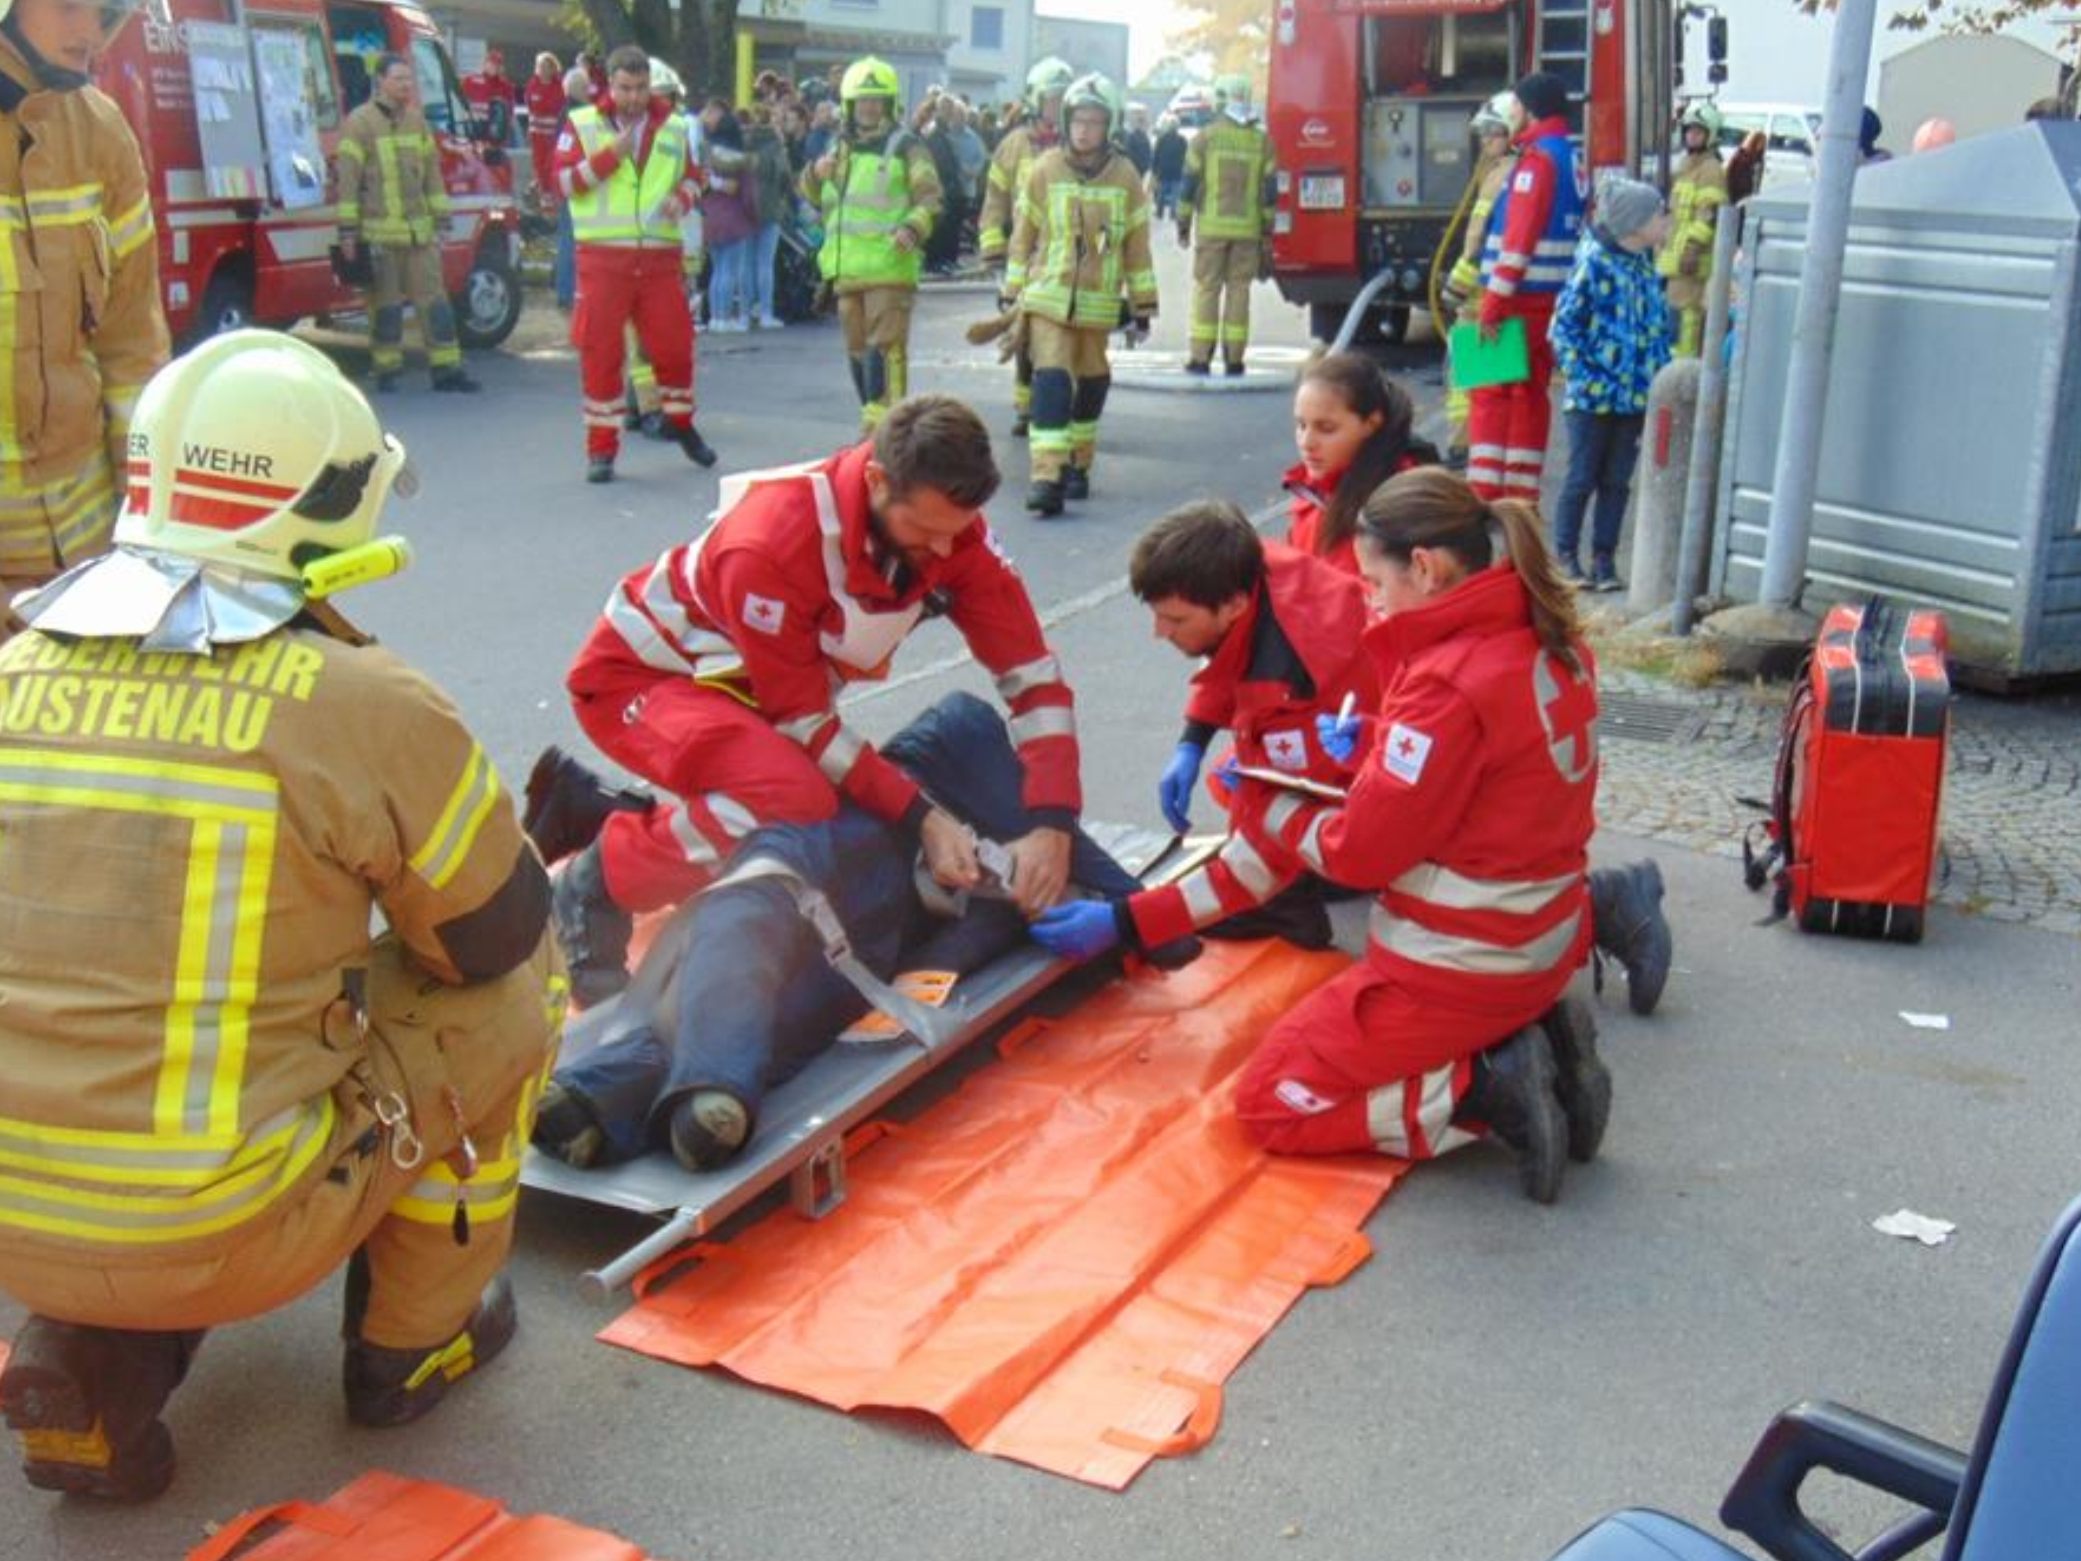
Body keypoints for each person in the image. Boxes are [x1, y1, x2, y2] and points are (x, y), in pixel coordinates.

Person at [0, 330, 563, 1501]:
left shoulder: (14, 670)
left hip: (14, 1218)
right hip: (223, 1228)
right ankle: (414, 1341)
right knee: (515, 994)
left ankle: (85, 1362)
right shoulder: (361, 701)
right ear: (327, 504)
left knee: (93, 1064)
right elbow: (491, 937)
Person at [538, 395, 1083, 1007]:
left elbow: (1033, 677)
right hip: (641, 681)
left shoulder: (952, 533)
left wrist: (1053, 822)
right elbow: (805, 723)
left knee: (815, 803)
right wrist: (925, 818)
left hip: (744, 691)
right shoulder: (771, 542)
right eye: (925, 532)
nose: (943, 553)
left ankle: (593, 810)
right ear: (877, 481)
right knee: (788, 802)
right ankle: (594, 883)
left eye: (955, 533)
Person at [531, 694, 1192, 1172]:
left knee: (798, 1018)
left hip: (881, 933)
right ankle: (714, 1087)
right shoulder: (962, 740)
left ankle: (601, 1098)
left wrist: (1090, 919)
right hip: (838, 848)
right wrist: (1032, 852)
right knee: (750, 921)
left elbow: (1153, 925)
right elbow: (1136, 906)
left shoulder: (1038, 865)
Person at [1215, 466, 1614, 1203]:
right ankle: (1527, 1047)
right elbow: (1491, 771)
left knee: (1272, 1102)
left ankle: (1487, 1088)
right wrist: (1376, 739)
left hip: (1462, 961)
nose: (1370, 599)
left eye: (1374, 582)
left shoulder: (1445, 681)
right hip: (1544, 936)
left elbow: (1357, 854)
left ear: (1425, 568)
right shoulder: (1543, 635)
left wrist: (1263, 806)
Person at [1030, 502, 1378, 966]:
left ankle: (1300, 906)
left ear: (1233, 605)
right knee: (1228, 779)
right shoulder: (1252, 569)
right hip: (1352, 731)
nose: (1159, 632)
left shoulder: (1298, 683)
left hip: (1370, 782)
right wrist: (1193, 740)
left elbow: (1261, 856)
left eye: (1175, 620)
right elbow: (1230, 657)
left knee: (1270, 819)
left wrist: (1127, 920)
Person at [0, 0, 169, 608]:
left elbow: (132, 349)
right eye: (69, 5)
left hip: (88, 565)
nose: (89, 33)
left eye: (103, 12)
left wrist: (147, 527)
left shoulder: (102, 133)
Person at [556, 45, 717, 482]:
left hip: (659, 258)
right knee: (601, 355)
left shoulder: (675, 127)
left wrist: (682, 198)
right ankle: (601, 451)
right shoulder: (582, 123)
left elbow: (695, 178)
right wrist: (611, 156)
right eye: (625, 88)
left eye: (641, 88)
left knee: (675, 348)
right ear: (609, 85)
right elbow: (564, 182)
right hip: (602, 258)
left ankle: (681, 424)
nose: (633, 97)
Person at [1005, 72, 1157, 517]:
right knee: (1051, 379)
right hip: (1048, 298)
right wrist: (1012, 289)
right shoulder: (1045, 169)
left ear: (1109, 126)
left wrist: (1143, 306)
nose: (1084, 130)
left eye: (1094, 122)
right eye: (1077, 121)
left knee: (1092, 381)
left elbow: (1137, 247)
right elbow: (1023, 234)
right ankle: (1046, 477)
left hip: (1097, 304)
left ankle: (1078, 463)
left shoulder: (1125, 177)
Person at [801, 57, 942, 432]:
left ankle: (884, 433)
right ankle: (876, 426)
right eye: (862, 100)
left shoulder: (907, 146)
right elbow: (816, 197)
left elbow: (930, 197)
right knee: (858, 353)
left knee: (885, 350)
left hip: (889, 267)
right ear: (849, 104)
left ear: (889, 103)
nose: (869, 107)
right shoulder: (838, 147)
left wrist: (912, 228)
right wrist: (814, 174)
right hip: (846, 271)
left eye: (876, 100)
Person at [1550, 176, 1673, 592]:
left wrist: (1660, 373)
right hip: (1593, 399)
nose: (1666, 221)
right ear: (1635, 224)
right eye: (1659, 215)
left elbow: (1655, 328)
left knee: (1617, 482)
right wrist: (1585, 377)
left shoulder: (1644, 264)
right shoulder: (1594, 263)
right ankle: (1565, 556)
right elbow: (1563, 327)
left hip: (1633, 398)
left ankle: (1604, 559)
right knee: (1582, 477)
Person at [1468, 72, 1583, 504]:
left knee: (1488, 393)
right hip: (1548, 300)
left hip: (1514, 299)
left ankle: (1482, 497)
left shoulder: (1536, 161)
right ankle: (1519, 497)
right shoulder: (1570, 157)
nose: (1511, 113)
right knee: (1530, 395)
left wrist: (1493, 303)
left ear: (1531, 109)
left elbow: (1516, 243)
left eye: (1516, 105)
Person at [337, 55, 480, 395]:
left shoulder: (417, 122)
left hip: (419, 236)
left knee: (435, 304)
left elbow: (432, 176)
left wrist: (442, 220)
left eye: (408, 79)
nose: (406, 85)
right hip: (380, 238)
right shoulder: (359, 123)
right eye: (399, 78)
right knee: (384, 307)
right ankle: (387, 370)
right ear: (380, 81)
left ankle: (447, 369)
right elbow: (348, 182)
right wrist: (347, 232)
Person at [979, 57, 1074, 437]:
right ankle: (1025, 405)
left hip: (1065, 257)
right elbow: (995, 198)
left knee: (1062, 333)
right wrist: (993, 247)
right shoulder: (1014, 145)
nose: (1057, 105)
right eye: (1052, 98)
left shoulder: (1079, 144)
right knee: (1024, 333)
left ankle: (1054, 404)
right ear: (1036, 99)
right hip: (1025, 255)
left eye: (1063, 98)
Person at [1286, 352, 1437, 576]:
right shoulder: (1311, 492)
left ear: (1371, 424)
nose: (1307, 442)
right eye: (1301, 425)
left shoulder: (1399, 508)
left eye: (1326, 429)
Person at [1178, 74, 1277, 376]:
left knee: (1207, 289)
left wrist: (1183, 222)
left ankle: (1200, 358)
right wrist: (1267, 230)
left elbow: (1188, 185)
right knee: (1239, 291)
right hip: (1248, 231)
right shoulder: (1262, 142)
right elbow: (1269, 192)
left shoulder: (1205, 138)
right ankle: (1235, 359)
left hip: (1211, 229)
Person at [1440, 94, 1518, 462]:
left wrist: (1458, 283)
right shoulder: (1508, 171)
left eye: (1492, 131)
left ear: (1511, 132)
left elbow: (1482, 240)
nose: (1485, 140)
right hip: (1494, 292)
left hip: (1481, 295)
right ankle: (1483, 447)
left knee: (1471, 378)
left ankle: (1466, 449)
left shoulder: (1502, 176)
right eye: (1483, 132)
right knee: (1488, 379)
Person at [1659, 101, 1727, 359]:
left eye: (1698, 132)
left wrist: (1693, 249)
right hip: (1674, 265)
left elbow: (1708, 215)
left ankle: (1683, 372)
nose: (1691, 136)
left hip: (1690, 265)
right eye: (1689, 131)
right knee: (1674, 322)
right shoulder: (1686, 168)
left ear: (1711, 135)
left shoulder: (1711, 171)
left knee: (1686, 324)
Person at [702, 104, 758, 333]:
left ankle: (715, 317)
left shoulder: (707, 157)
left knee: (717, 271)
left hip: (710, 217)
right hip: (735, 219)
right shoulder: (741, 161)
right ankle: (725, 317)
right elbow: (747, 195)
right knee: (729, 271)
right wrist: (753, 216)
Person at [744, 103, 793, 328]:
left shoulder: (744, 143)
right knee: (765, 263)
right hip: (771, 208)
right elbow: (785, 178)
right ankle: (765, 312)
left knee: (746, 263)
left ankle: (745, 312)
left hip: (745, 209)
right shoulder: (776, 147)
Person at [551, 63, 592, 311]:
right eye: (586, 87)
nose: (590, 91)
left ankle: (564, 290)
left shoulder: (563, 114)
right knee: (573, 240)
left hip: (566, 181)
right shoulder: (583, 117)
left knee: (566, 238)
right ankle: (570, 290)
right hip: (581, 183)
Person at [523, 51, 566, 210]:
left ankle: (552, 198)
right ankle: (544, 198)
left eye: (547, 66)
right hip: (537, 135)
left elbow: (558, 107)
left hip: (553, 135)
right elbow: (531, 105)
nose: (543, 70)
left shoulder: (559, 87)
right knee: (539, 166)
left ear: (553, 68)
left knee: (551, 166)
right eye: (540, 66)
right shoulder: (532, 85)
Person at [461, 46, 516, 145]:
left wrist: (501, 138)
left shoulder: (506, 86)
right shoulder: (471, 81)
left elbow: (509, 114)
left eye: (497, 64)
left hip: (493, 137)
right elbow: (458, 103)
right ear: (485, 63)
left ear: (501, 67)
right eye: (491, 63)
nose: (494, 67)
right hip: (471, 134)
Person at [1150, 113, 1187, 219]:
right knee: (1175, 194)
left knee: (1161, 192)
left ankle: (1159, 212)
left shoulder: (1162, 139)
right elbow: (1186, 156)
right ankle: (1173, 213)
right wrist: (1185, 169)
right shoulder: (1182, 140)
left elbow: (1156, 155)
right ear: (1177, 127)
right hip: (1177, 171)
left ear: (1168, 127)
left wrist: (1154, 170)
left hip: (1164, 171)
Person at [1122, 102, 1154, 177]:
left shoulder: (1134, 135)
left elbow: (1128, 152)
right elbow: (1148, 152)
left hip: (1136, 167)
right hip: (1140, 167)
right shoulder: (1141, 136)